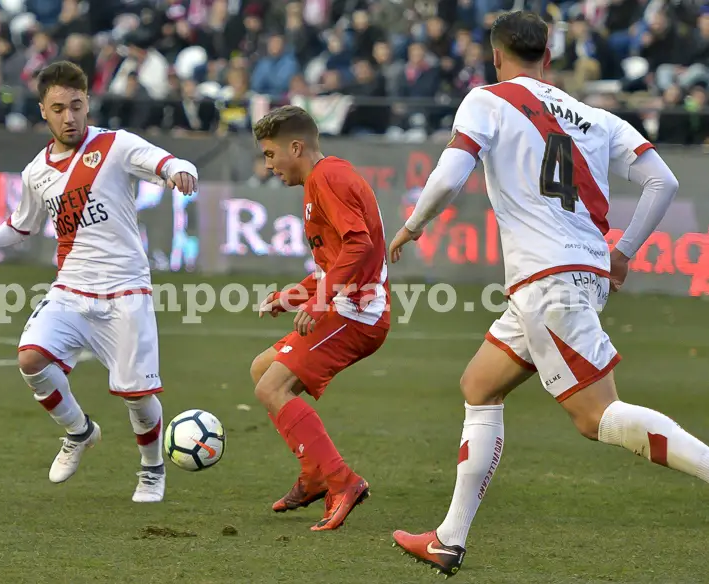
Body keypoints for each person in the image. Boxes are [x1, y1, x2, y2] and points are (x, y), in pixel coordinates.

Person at [388, 10, 709, 578]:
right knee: (479, 385)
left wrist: (413, 226)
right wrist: (624, 250)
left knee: (596, 416)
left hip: (547, 282)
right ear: (550, 58)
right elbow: (665, 180)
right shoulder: (595, 116)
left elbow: (448, 175)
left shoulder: (486, 100)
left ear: (495, 55)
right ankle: (447, 539)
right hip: (568, 277)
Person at [0, 61, 198, 503]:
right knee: (31, 360)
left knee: (137, 398)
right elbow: (21, 226)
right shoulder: (36, 172)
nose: (70, 117)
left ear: (88, 105)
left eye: (77, 106)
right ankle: (79, 431)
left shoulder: (115, 146)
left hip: (126, 289)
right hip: (71, 288)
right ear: (44, 111)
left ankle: (152, 469)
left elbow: (163, 159)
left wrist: (181, 169)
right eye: (59, 108)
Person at [251, 105, 390, 531]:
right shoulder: (320, 180)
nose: (269, 165)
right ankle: (313, 475)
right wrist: (290, 297)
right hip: (348, 304)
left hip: (357, 313)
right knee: (262, 371)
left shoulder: (328, 177)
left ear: (297, 147)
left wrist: (318, 302)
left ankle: (342, 481)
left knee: (273, 386)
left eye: (272, 155)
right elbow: (333, 265)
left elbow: (359, 246)